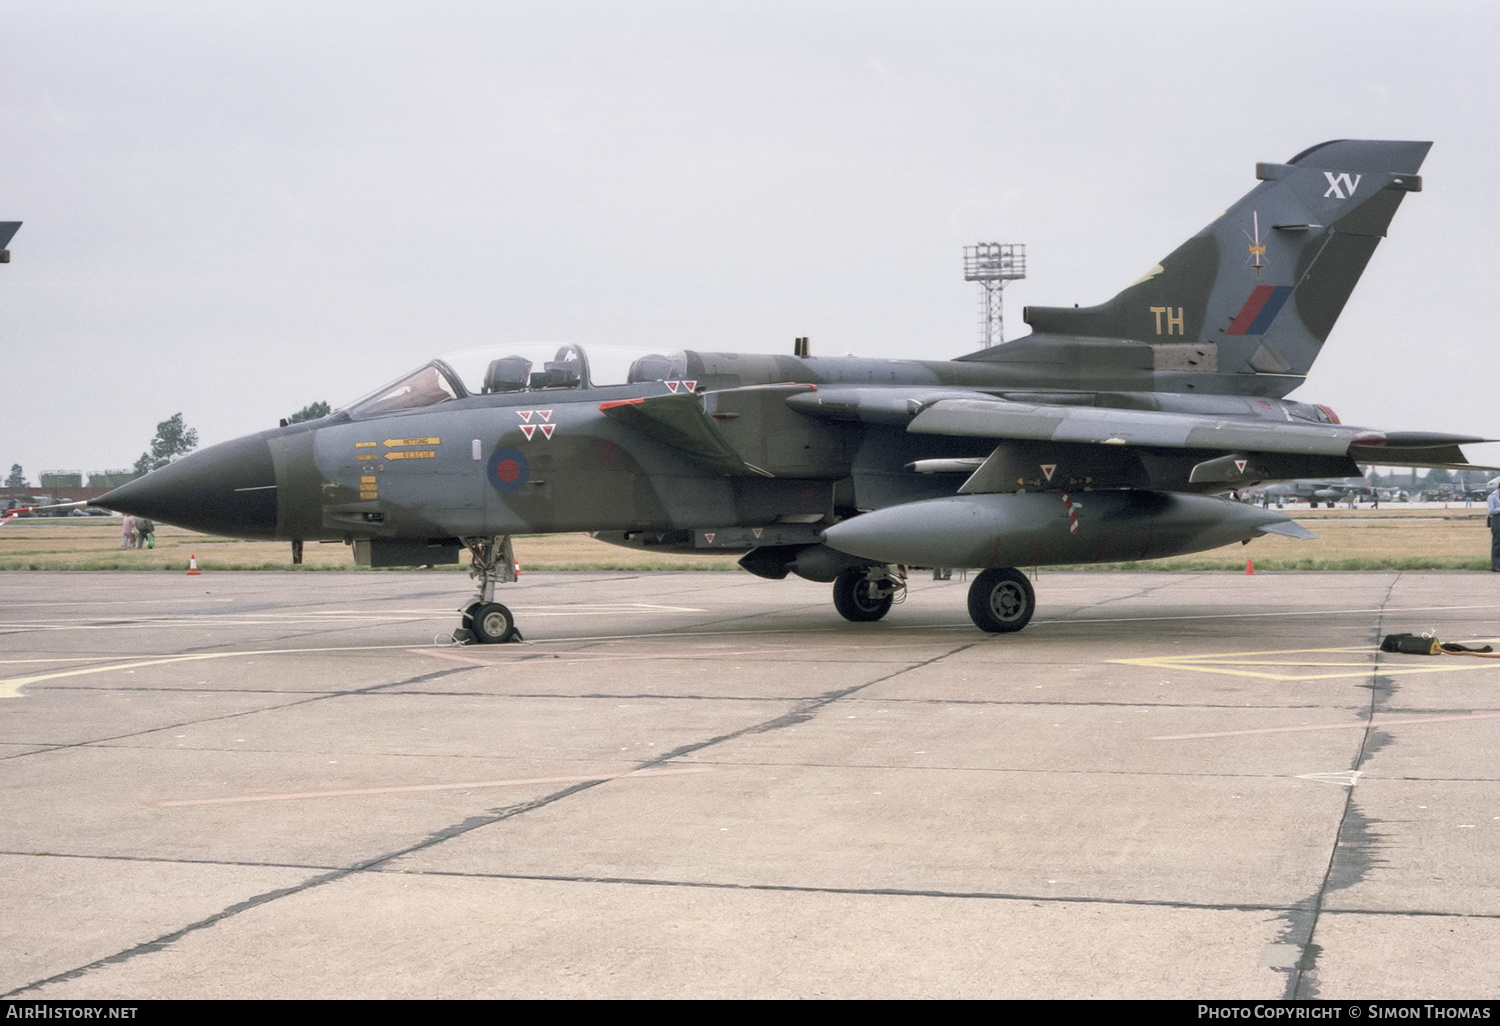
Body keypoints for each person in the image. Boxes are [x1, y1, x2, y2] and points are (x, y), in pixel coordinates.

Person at [1488, 482, 1500, 572]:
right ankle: (1495, 565)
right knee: (1497, 543)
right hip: (1497, 519)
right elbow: (1491, 510)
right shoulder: (1492, 496)